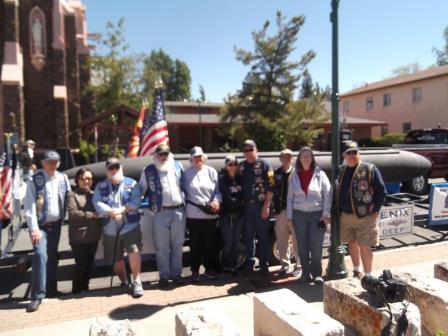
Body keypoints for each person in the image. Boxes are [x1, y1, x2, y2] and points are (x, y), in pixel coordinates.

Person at [24, 150, 71, 312]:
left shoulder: (63, 178)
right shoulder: (34, 179)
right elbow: (29, 205)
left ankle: (51, 290)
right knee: (39, 254)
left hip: (56, 225)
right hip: (40, 226)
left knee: (52, 257)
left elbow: (68, 199)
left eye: (55, 162)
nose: (52, 165)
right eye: (49, 162)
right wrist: (34, 228)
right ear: (43, 163)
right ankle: (36, 296)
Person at [134, 144, 186, 288]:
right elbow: (141, 189)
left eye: (166, 154)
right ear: (156, 155)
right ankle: (164, 276)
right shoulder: (148, 170)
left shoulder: (178, 166)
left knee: (178, 245)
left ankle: (176, 275)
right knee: (161, 247)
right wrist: (131, 200)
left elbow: (185, 186)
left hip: (179, 211)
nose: (163, 157)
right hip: (160, 212)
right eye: (160, 154)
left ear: (169, 154)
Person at [92, 158, 144, 298]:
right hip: (110, 228)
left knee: (134, 251)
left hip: (130, 226)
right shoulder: (100, 186)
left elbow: (136, 202)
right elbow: (96, 202)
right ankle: (124, 282)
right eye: (111, 168)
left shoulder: (132, 184)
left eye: (116, 167)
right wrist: (111, 212)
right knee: (116, 259)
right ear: (107, 170)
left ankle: (137, 282)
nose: (114, 170)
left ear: (121, 168)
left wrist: (120, 211)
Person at [336, 141, 386, 279]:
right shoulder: (341, 170)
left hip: (365, 216)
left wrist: (376, 210)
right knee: (351, 243)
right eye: (348, 153)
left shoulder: (369, 168)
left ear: (358, 153)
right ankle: (357, 270)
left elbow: (381, 190)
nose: (352, 155)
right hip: (346, 215)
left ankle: (369, 276)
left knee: (365, 246)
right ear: (344, 155)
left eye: (354, 152)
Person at [287, 147, 331, 284]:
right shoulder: (294, 175)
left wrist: (326, 214)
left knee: (316, 246)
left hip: (317, 214)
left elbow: (328, 194)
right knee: (302, 246)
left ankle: (317, 274)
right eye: (303, 156)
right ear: (299, 159)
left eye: (308, 156)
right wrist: (289, 217)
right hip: (299, 214)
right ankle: (305, 274)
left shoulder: (320, 174)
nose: (305, 158)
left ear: (312, 159)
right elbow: (289, 197)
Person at [183, 146, 221, 282]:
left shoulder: (211, 172)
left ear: (204, 157)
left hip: (210, 215)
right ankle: (194, 271)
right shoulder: (186, 174)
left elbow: (218, 191)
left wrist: (216, 201)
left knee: (210, 244)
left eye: (200, 156)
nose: (198, 159)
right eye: (195, 157)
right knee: (195, 245)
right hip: (193, 215)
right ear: (191, 159)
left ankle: (209, 270)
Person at [239, 140, 275, 275]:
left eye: (250, 149)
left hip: (261, 205)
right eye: (245, 150)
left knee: (263, 236)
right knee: (248, 237)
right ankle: (250, 263)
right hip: (247, 207)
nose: (248, 152)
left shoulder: (265, 165)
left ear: (256, 150)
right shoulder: (241, 167)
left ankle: (264, 264)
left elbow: (271, 186)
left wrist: (266, 206)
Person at [67, 168, 102, 294]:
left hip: (93, 236)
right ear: (77, 180)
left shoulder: (95, 195)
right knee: (80, 265)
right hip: (79, 238)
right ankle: (76, 290)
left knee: (89, 265)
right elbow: (73, 213)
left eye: (88, 178)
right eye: (82, 178)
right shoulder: (72, 195)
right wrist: (91, 215)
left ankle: (85, 288)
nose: (85, 181)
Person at [273, 148, 300, 276]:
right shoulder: (275, 173)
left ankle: (299, 265)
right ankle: (285, 265)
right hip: (281, 211)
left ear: (292, 159)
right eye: (284, 156)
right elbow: (271, 191)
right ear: (280, 158)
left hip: (295, 211)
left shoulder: (297, 173)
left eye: (289, 156)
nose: (287, 158)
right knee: (282, 240)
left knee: (297, 239)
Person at [218, 154, 244, 274]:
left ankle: (233, 265)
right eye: (230, 164)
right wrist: (237, 202)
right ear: (226, 165)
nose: (233, 166)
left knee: (236, 241)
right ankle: (225, 264)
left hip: (239, 214)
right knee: (228, 241)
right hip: (225, 214)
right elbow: (226, 197)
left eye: (235, 164)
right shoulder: (222, 179)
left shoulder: (240, 178)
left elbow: (244, 195)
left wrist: (239, 203)